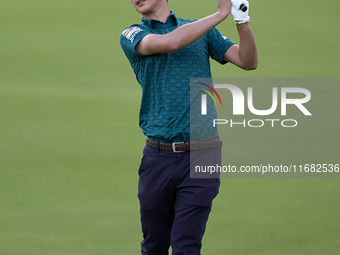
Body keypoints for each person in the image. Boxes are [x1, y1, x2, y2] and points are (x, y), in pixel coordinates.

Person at [120, 0, 258, 254]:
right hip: (157, 157)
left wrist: (241, 20)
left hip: (203, 153)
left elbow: (247, 61)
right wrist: (220, 14)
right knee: (154, 245)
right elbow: (171, 43)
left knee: (187, 245)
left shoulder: (202, 30)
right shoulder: (132, 34)